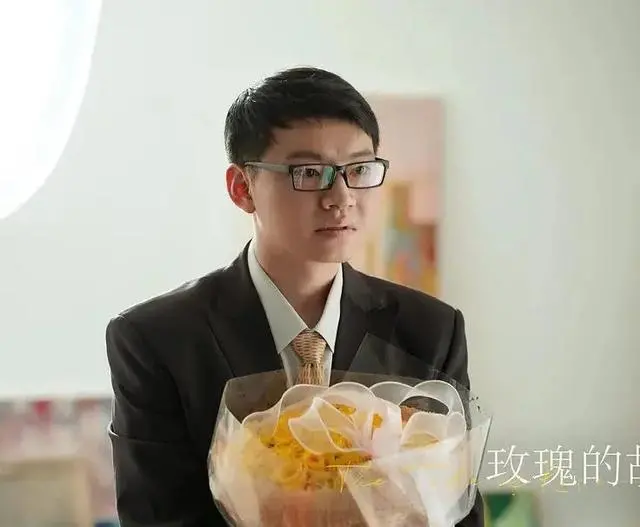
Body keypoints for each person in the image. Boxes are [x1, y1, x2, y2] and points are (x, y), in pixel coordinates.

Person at [106, 66, 484, 526]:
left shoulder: (430, 330)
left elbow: (457, 508)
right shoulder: (155, 339)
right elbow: (156, 517)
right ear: (242, 188)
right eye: (309, 172)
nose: (341, 196)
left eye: (358, 170)